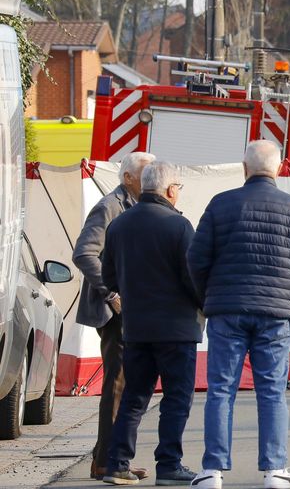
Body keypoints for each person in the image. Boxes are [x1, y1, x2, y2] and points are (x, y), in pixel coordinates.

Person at [187, 140, 290, 489]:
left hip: (226, 311)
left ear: (244, 168)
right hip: (276, 315)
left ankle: (212, 472)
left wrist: (210, 297)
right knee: (272, 391)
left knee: (220, 390)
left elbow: (196, 259)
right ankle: (275, 470)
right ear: (278, 168)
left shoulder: (220, 205)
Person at [100, 161, 201, 485]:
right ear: (170, 190)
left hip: (137, 327)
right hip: (177, 329)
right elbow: (193, 277)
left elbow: (108, 276)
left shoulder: (119, 224)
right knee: (176, 398)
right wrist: (204, 305)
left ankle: (117, 464)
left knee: (134, 397)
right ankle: (169, 465)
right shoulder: (179, 226)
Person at [72, 151, 154, 481]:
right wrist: (111, 292)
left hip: (131, 310)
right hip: (114, 312)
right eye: (145, 174)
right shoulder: (110, 206)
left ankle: (110, 457)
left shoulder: (134, 206)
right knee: (118, 385)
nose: (151, 180)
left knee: (125, 383)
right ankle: (107, 461)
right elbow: (84, 252)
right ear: (128, 178)